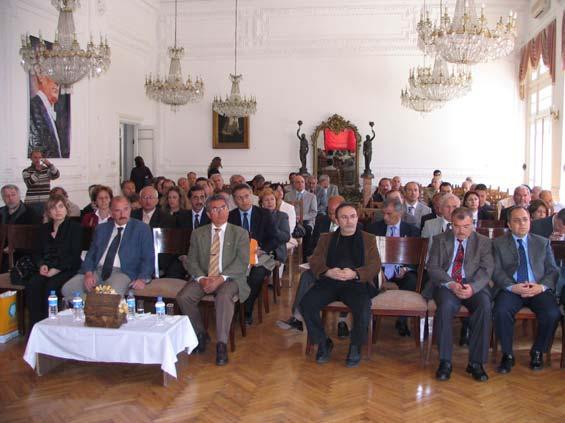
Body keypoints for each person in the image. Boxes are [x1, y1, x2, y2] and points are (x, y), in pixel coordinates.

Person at [300, 203, 380, 367]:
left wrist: (355, 273)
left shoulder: (368, 238)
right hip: (330, 282)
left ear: (357, 218)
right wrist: (328, 272)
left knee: (363, 307)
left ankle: (355, 346)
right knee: (306, 304)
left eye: (352, 216)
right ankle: (323, 342)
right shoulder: (326, 238)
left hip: (356, 283)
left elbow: (374, 265)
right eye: (344, 217)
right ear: (336, 220)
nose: (349, 221)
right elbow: (314, 260)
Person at [176, 194, 249, 366]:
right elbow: (192, 260)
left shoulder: (239, 233)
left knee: (223, 297)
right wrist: (201, 279)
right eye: (215, 209)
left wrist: (220, 279)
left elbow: (241, 262)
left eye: (223, 208)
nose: (220, 212)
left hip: (230, 278)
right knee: (184, 297)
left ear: (228, 210)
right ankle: (200, 334)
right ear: (208, 214)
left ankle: (222, 344)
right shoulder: (198, 234)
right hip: (204, 276)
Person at [425, 207, 493, 382]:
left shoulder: (483, 242)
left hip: (473, 286)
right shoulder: (440, 240)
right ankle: (445, 361)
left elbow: (486, 270)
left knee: (484, 306)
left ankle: (476, 363)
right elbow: (433, 268)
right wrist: (451, 284)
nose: (461, 231)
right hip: (447, 285)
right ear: (451, 225)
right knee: (445, 308)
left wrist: (472, 287)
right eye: (457, 226)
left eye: (466, 226)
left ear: (473, 225)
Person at [492, 206, 560, 373]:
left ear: (530, 221)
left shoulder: (542, 242)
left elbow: (553, 270)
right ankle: (507, 354)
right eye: (516, 220)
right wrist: (512, 286)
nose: (521, 224)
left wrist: (541, 286)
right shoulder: (498, 243)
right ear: (508, 224)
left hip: (537, 288)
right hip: (511, 288)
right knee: (501, 311)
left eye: (525, 220)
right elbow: (496, 271)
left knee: (552, 313)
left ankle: (537, 351)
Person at [62, 196, 155, 300]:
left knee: (110, 295)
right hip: (98, 270)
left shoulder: (141, 229)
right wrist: (88, 274)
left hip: (123, 272)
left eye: (125, 209)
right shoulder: (102, 229)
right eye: (117, 210)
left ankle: (95, 305)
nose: (122, 214)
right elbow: (91, 254)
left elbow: (148, 258)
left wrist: (142, 279)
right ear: (111, 212)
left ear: (130, 209)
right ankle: (94, 306)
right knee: (68, 288)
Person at [366, 198, 420, 337]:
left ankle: (402, 320)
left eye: (389, 214)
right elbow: (367, 254)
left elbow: (417, 256)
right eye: (383, 213)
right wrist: (377, 269)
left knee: (412, 280)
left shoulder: (412, 230)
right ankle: (368, 320)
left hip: (402, 271)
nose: (385, 217)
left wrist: (407, 268)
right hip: (379, 270)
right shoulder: (373, 229)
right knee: (367, 279)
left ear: (400, 213)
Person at [25, 195, 82, 327]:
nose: (58, 211)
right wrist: (42, 265)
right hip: (47, 268)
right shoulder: (44, 229)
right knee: (33, 284)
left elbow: (74, 255)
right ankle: (36, 326)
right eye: (53, 208)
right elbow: (36, 252)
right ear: (48, 212)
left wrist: (56, 269)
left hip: (68, 268)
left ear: (66, 209)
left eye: (61, 206)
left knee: (51, 286)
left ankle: (50, 325)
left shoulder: (75, 228)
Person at [228, 184, 279, 324]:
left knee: (256, 275)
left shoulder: (264, 214)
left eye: (246, 196)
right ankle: (232, 304)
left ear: (251, 196)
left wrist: (263, 249)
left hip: (261, 255)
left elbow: (275, 239)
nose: (244, 200)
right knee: (233, 273)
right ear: (234, 200)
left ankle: (246, 310)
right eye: (239, 198)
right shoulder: (230, 216)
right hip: (238, 257)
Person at [0, 184, 41, 272]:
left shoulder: (30, 213)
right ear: (3, 198)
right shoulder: (1, 212)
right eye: (6, 196)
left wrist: (15, 247)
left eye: (13, 195)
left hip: (21, 256)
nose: (10, 198)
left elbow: (36, 238)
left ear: (19, 195)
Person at [29, 75, 69, 158]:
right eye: (54, 75)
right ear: (41, 77)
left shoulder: (51, 111)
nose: (58, 83)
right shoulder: (33, 107)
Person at [284, 174, 318, 261]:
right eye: (298, 182)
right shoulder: (288, 195)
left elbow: (314, 212)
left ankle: (305, 258)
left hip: (306, 221)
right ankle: (283, 259)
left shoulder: (311, 196)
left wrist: (301, 217)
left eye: (302, 182)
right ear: (294, 184)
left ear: (305, 183)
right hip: (291, 221)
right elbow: (285, 209)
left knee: (307, 230)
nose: (300, 184)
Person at [22, 150, 60, 215]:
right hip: (31, 202)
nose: (38, 159)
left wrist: (50, 165)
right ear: (31, 158)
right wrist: (37, 172)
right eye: (35, 157)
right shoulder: (26, 170)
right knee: (32, 223)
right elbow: (29, 183)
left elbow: (56, 175)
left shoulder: (46, 169)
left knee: (45, 222)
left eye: (39, 157)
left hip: (45, 201)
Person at [259, 188, 291, 264]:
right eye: (266, 200)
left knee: (259, 270)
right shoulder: (257, 216)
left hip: (276, 250)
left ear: (276, 201)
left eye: (272, 199)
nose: (270, 202)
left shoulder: (282, 216)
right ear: (262, 203)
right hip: (258, 249)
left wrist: (274, 231)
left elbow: (286, 237)